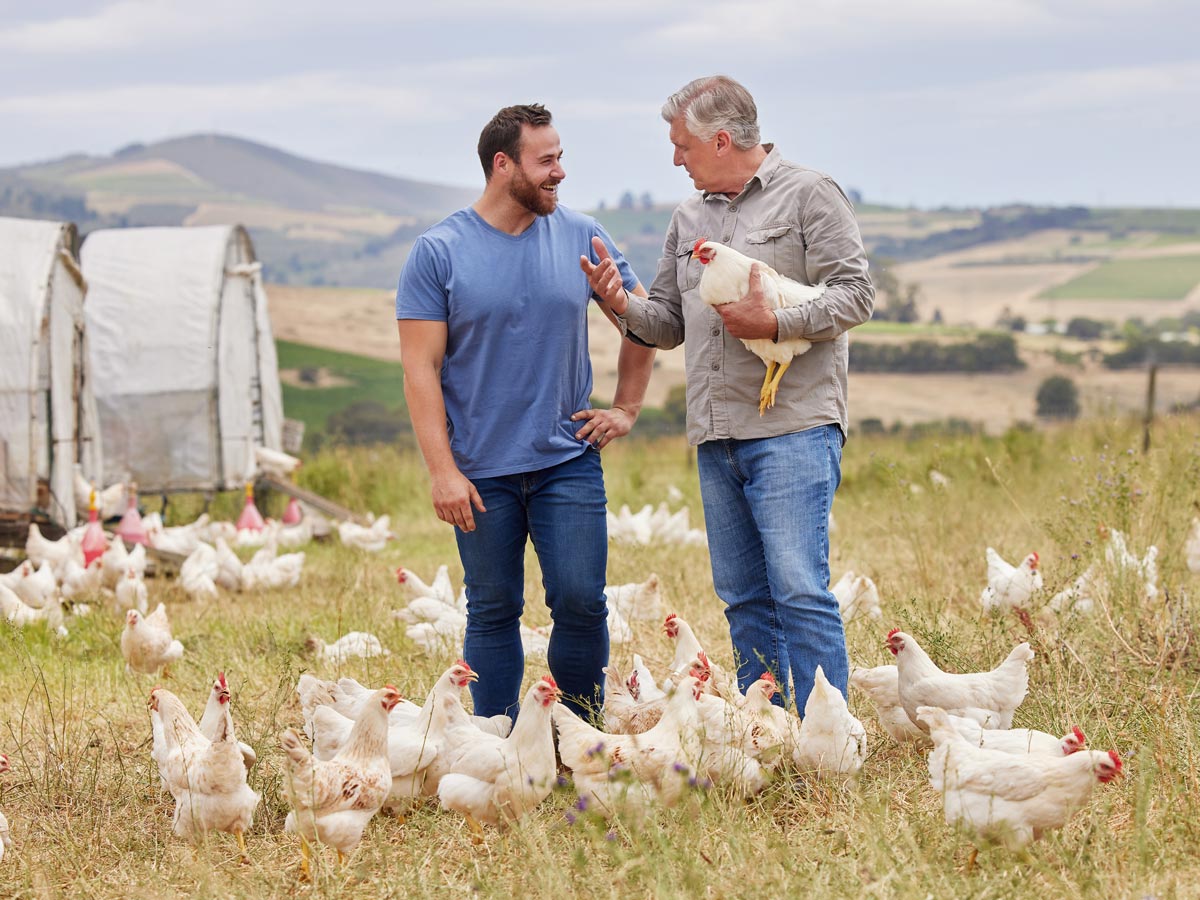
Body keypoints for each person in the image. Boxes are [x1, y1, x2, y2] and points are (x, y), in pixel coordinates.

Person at [582, 76, 874, 707]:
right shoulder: (688, 218)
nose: (676, 159)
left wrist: (775, 322)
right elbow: (665, 323)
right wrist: (617, 303)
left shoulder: (810, 195)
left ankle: (827, 736)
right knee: (742, 595)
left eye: (681, 144)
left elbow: (856, 295)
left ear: (720, 140)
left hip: (793, 426)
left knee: (799, 587)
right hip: (716, 433)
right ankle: (764, 729)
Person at [396, 104, 656, 720]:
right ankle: (496, 740)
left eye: (561, 157)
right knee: (492, 607)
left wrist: (626, 408)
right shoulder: (438, 252)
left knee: (580, 601)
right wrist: (442, 470)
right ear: (502, 164)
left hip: (568, 459)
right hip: (479, 470)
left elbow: (646, 322)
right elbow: (419, 370)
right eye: (547, 160)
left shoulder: (582, 235)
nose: (560, 172)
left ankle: (579, 734)